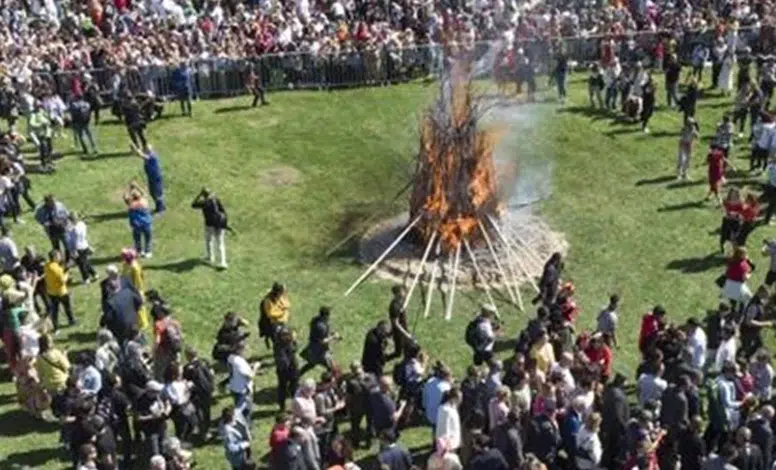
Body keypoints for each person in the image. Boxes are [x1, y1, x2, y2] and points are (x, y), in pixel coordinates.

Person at [191, 188, 228, 269]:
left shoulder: (204, 202)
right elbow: (223, 211)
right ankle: (223, 262)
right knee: (220, 243)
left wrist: (199, 195)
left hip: (209, 225)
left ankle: (210, 256)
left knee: (209, 240)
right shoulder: (216, 200)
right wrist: (224, 224)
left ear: (204, 195)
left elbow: (193, 204)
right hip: (220, 224)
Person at [299, 306, 340, 376]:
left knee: (311, 364)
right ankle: (328, 382)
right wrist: (333, 337)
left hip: (313, 348)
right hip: (319, 351)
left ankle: (297, 375)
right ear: (325, 316)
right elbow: (323, 341)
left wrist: (330, 333)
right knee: (331, 367)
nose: (329, 317)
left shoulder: (316, 319)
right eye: (328, 315)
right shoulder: (321, 327)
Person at [227, 342, 261, 421]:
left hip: (234, 386)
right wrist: (256, 367)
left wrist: (249, 367)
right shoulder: (239, 361)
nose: (246, 352)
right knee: (244, 410)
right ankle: (242, 425)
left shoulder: (230, 357)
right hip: (242, 389)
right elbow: (250, 376)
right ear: (240, 350)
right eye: (245, 350)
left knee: (239, 406)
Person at [44, 249, 74, 332]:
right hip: (61, 292)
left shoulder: (47, 266)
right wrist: (67, 273)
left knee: (55, 311)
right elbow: (63, 280)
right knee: (67, 307)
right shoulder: (57, 268)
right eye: (59, 255)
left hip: (51, 292)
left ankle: (56, 326)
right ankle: (71, 321)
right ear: (55, 257)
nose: (60, 257)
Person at [131, 143, 166, 213]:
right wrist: (134, 150)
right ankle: (160, 206)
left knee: (157, 193)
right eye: (146, 149)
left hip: (156, 177)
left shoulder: (152, 156)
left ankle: (161, 207)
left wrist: (136, 149)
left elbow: (142, 156)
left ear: (152, 149)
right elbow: (139, 155)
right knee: (152, 192)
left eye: (148, 149)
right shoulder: (148, 155)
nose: (147, 150)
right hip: (151, 177)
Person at [34, 195, 70, 260]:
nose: (54, 203)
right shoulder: (42, 210)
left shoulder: (59, 205)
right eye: (52, 202)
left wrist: (64, 221)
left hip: (62, 228)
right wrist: (44, 223)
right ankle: (59, 260)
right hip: (52, 231)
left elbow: (66, 214)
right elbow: (37, 217)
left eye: (54, 201)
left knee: (67, 245)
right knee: (56, 248)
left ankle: (68, 260)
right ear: (47, 202)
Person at [123, 183, 153, 258]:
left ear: (132, 198)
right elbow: (144, 193)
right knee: (147, 238)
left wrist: (129, 188)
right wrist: (137, 186)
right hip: (146, 224)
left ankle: (139, 251)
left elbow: (125, 197)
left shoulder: (131, 205)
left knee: (137, 239)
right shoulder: (144, 202)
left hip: (136, 225)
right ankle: (148, 251)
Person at [65, 212, 97, 284]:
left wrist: (74, 251)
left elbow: (74, 240)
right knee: (85, 261)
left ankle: (86, 278)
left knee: (81, 265)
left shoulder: (74, 229)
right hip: (84, 245)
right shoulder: (82, 224)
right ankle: (94, 274)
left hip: (78, 248)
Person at [273, 326, 300, 411]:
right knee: (282, 389)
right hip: (284, 371)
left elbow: (295, 349)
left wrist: (294, 342)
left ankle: (295, 405)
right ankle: (282, 407)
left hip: (292, 369)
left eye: (288, 334)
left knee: (294, 389)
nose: (288, 336)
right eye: (285, 335)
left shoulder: (290, 342)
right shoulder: (278, 346)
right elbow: (283, 361)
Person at [258, 282, 291, 348]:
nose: (283, 293)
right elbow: (270, 314)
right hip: (274, 323)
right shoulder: (268, 301)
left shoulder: (282, 296)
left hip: (283, 321)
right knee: (278, 340)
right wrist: (282, 313)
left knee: (286, 338)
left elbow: (287, 304)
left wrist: (284, 308)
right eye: (282, 292)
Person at [220, 405, 251, 470]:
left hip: (241, 453)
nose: (236, 417)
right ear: (230, 418)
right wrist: (244, 445)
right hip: (237, 458)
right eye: (234, 416)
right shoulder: (227, 432)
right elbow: (232, 448)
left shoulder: (228, 422)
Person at [387, 285, 410, 360]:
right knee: (398, 353)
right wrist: (405, 334)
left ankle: (406, 361)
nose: (405, 292)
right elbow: (395, 323)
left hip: (404, 328)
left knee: (407, 347)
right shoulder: (394, 306)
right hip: (398, 332)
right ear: (397, 293)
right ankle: (383, 358)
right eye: (402, 291)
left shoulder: (401, 300)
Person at [435, 387, 462, 452]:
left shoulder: (452, 407)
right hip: (448, 446)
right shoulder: (445, 410)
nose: (460, 401)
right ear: (453, 399)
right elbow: (443, 430)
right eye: (459, 399)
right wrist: (445, 447)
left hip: (453, 443)